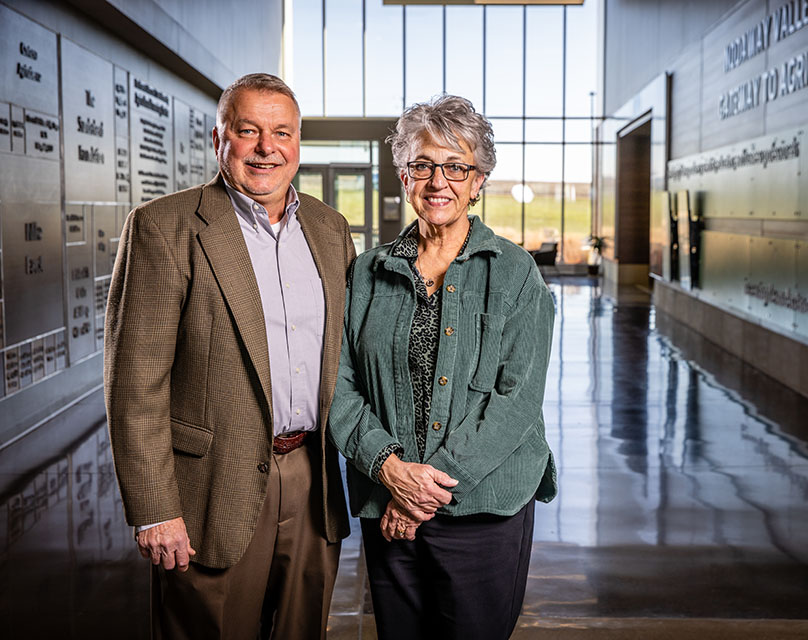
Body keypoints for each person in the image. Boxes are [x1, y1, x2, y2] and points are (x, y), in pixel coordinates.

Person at [104, 73, 354, 639]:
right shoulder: (163, 227)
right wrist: (154, 507)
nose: (267, 148)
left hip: (313, 481)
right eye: (249, 131)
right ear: (220, 140)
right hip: (209, 492)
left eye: (282, 133)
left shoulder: (329, 228)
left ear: (297, 144)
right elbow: (134, 384)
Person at [329, 94, 557, 640]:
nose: (440, 181)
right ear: (404, 176)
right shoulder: (366, 273)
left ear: (478, 181)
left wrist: (422, 495)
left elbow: (516, 402)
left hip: (483, 513)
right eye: (424, 165)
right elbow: (338, 385)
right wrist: (389, 469)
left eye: (457, 167)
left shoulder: (516, 273)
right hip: (388, 500)